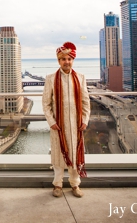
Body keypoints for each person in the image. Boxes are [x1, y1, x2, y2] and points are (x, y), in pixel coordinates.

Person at [42, 41, 91, 198]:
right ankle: (57, 184)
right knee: (58, 157)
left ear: (72, 60)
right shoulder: (51, 79)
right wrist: (52, 122)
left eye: (69, 59)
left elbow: (85, 102)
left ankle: (75, 184)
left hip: (76, 125)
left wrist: (85, 120)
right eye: (63, 59)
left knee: (75, 157)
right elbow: (46, 103)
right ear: (59, 61)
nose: (66, 62)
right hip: (59, 125)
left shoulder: (80, 78)